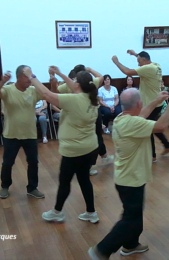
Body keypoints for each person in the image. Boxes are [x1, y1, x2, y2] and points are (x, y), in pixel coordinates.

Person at [87, 87, 169, 260]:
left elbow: (140, 116)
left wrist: (155, 101)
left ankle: (130, 245)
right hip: (130, 180)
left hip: (127, 177)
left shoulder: (122, 118)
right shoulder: (133, 123)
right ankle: (101, 250)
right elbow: (161, 126)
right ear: (139, 103)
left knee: (135, 213)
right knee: (130, 218)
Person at [25, 66, 100, 224]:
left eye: (74, 81)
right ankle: (91, 212)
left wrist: (31, 76)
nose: (72, 82)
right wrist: (58, 75)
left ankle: (57, 212)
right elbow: (60, 91)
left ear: (78, 85)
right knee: (84, 179)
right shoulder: (91, 97)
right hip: (90, 147)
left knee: (65, 181)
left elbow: (46, 94)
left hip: (74, 150)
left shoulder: (74, 100)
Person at [0, 66, 44, 199]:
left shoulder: (33, 90)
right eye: (27, 75)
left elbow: (49, 94)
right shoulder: (8, 90)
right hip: (11, 134)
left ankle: (32, 188)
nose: (30, 78)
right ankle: (5, 186)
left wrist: (53, 82)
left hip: (30, 134)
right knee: (8, 163)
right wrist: (2, 81)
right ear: (19, 77)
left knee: (33, 162)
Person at [112, 50, 169, 162]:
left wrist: (116, 62)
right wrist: (135, 54)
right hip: (157, 102)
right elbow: (144, 58)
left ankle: (152, 155)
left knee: (147, 128)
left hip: (151, 104)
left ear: (144, 60)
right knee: (152, 126)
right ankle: (167, 145)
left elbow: (127, 71)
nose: (138, 64)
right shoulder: (156, 65)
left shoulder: (148, 68)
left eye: (138, 61)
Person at [50, 65, 113, 175]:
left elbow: (101, 78)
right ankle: (88, 164)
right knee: (92, 138)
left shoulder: (88, 84)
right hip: (77, 116)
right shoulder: (72, 86)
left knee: (96, 137)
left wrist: (58, 75)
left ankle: (99, 159)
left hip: (92, 113)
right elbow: (54, 94)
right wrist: (53, 81)